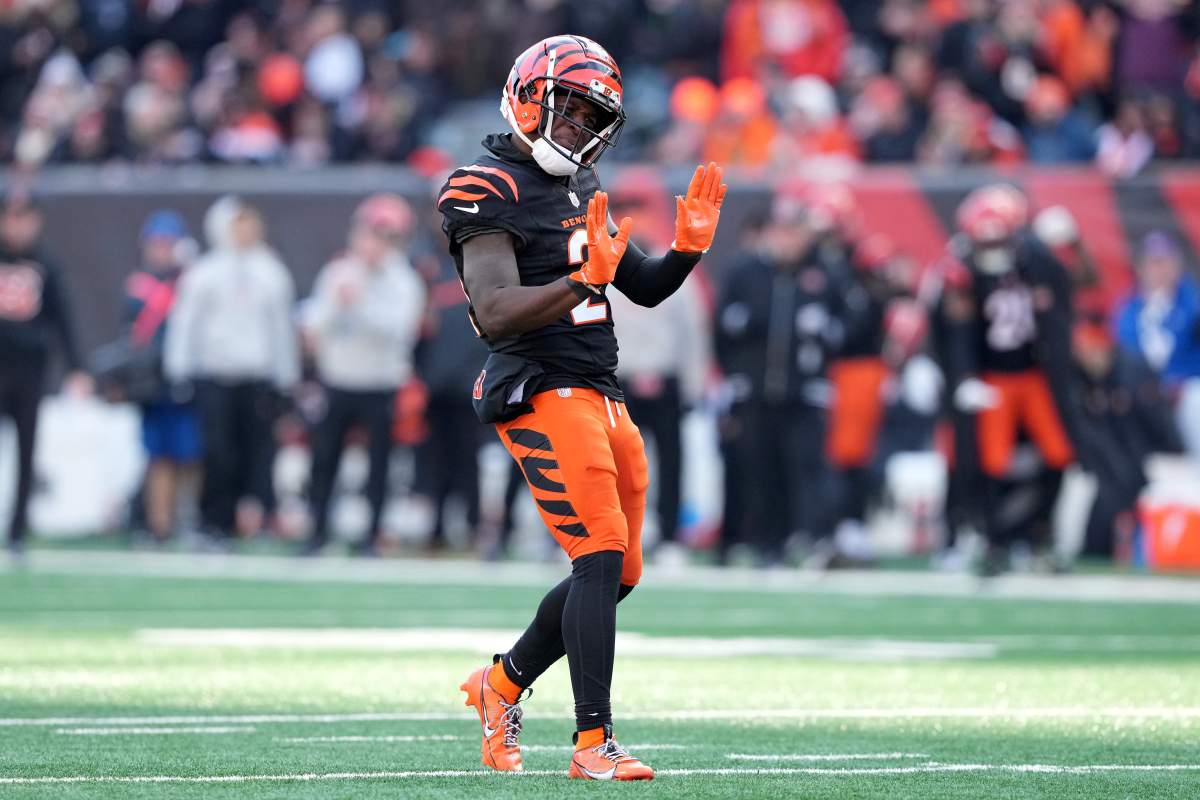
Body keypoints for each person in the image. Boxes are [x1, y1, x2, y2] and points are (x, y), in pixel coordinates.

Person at [438, 35, 725, 780]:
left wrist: (688, 250)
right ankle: (593, 742)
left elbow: (644, 286)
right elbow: (495, 311)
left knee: (620, 570)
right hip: (539, 384)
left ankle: (501, 683)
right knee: (597, 550)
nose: (579, 129)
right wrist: (577, 282)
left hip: (601, 385)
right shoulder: (483, 185)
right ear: (529, 97)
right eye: (569, 110)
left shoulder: (580, 185)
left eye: (593, 118)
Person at [939, 184, 1077, 576]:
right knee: (989, 461)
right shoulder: (961, 269)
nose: (991, 249)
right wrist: (965, 377)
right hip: (994, 378)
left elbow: (1072, 292)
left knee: (1059, 453)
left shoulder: (1039, 261)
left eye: (998, 238)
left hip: (1035, 375)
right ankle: (993, 537)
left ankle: (1040, 533)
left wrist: (1063, 248)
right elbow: (957, 330)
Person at [714, 185, 842, 566]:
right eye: (782, 230)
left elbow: (847, 328)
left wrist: (823, 337)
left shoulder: (822, 273)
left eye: (795, 230)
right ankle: (760, 542)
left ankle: (803, 539)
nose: (788, 239)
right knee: (757, 468)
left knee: (801, 468)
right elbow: (722, 329)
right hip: (754, 389)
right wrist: (734, 373)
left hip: (802, 390)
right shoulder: (745, 271)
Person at [164, 197, 299, 543]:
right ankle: (214, 521)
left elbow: (281, 328)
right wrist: (179, 369)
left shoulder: (270, 271)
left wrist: (286, 377)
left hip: (256, 376)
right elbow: (185, 323)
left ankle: (255, 519)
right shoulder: (205, 272)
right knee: (217, 453)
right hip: (215, 375)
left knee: (257, 453)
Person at [300, 193, 426, 556]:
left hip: (381, 383)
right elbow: (315, 322)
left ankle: (372, 535)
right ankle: (316, 532)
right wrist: (336, 308)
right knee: (324, 460)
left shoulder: (403, 281)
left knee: (380, 465)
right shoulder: (338, 272)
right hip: (338, 378)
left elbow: (400, 330)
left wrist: (359, 305)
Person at [0, 192, 90, 557]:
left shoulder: (46, 265)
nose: (18, 226)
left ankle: (17, 531)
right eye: (11, 217)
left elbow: (63, 317)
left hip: (29, 373)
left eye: (25, 217)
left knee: (26, 452)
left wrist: (76, 367)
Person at [123, 210, 201, 544]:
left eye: (168, 245)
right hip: (153, 384)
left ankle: (189, 520)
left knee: (192, 454)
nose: (162, 251)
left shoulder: (193, 282)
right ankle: (159, 524)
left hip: (187, 379)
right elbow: (133, 336)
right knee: (158, 456)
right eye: (157, 244)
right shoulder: (140, 286)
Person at [1114, 232, 1200, 467]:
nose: (1161, 270)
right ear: (1141, 268)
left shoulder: (1191, 302)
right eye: (1154, 263)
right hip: (1145, 395)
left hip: (1186, 391)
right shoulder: (1129, 309)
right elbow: (1126, 355)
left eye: (1166, 262)